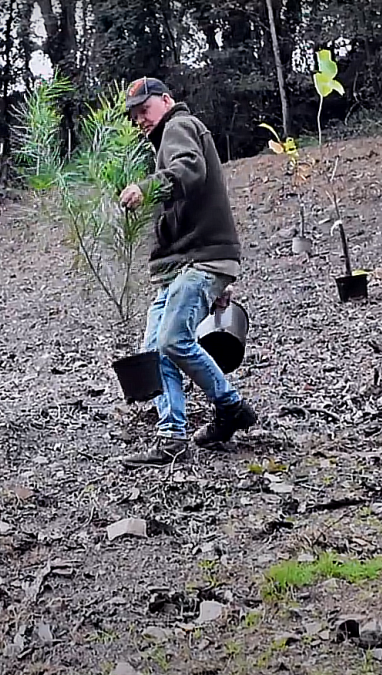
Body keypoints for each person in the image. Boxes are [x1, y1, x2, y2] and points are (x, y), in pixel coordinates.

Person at [117, 77, 257, 467]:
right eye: (134, 116)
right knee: (154, 350)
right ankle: (171, 438)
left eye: (144, 110)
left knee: (173, 339)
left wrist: (148, 188)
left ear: (166, 100)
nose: (140, 120)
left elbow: (189, 170)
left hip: (200, 260)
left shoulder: (178, 126)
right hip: (182, 266)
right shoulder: (167, 140)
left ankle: (230, 405)